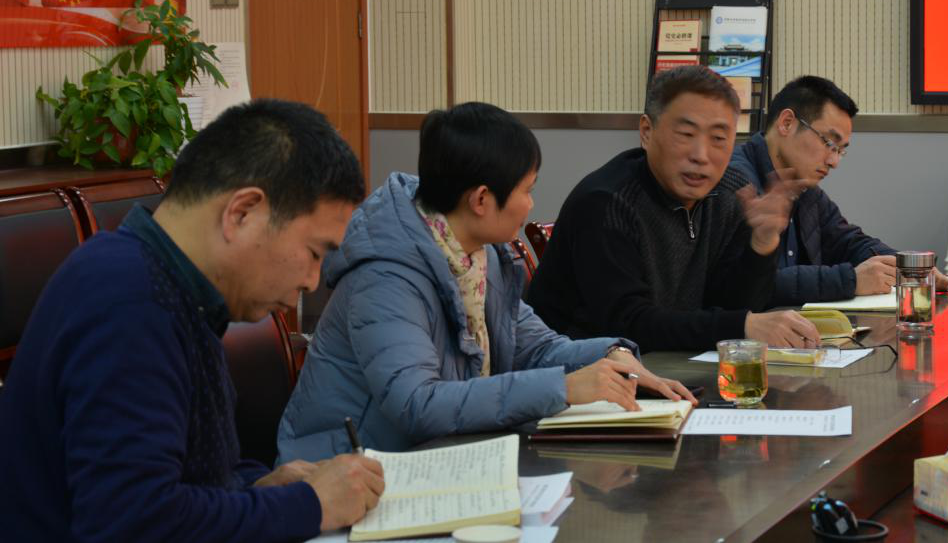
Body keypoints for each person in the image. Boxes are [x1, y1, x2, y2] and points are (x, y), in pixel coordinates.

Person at [0, 99, 385, 542]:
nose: (312, 280)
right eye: (314, 252)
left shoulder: (174, 287)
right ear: (242, 213)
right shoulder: (127, 300)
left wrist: (257, 487)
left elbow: (190, 478)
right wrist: (309, 505)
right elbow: (131, 524)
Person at [278, 102, 694, 462]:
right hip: (349, 469)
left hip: (440, 456)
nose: (531, 204)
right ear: (480, 200)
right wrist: (563, 387)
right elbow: (417, 404)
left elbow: (535, 347)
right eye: (527, 190)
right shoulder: (386, 276)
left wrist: (611, 355)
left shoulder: (481, 254)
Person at [525, 66, 821, 352]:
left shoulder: (731, 192)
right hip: (582, 371)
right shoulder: (606, 202)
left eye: (718, 138)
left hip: (669, 366)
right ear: (646, 132)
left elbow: (733, 304)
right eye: (685, 134)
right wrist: (741, 325)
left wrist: (762, 245)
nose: (701, 155)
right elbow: (628, 324)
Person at [729, 75, 948, 305]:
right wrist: (851, 280)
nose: (834, 161)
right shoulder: (735, 183)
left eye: (840, 150)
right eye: (828, 143)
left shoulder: (804, 188)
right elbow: (745, 286)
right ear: (786, 123)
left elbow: (847, 241)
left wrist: (906, 266)